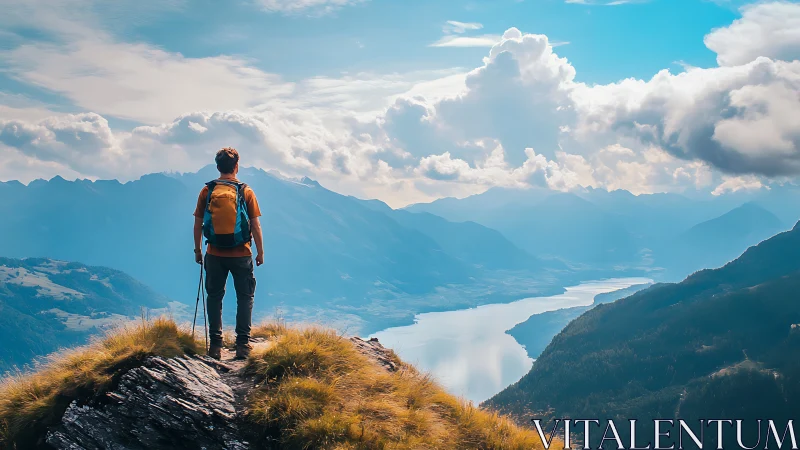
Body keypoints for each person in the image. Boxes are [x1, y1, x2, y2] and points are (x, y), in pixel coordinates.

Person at [193, 147, 264, 360]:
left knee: (214, 297)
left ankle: (215, 346)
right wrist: (260, 252)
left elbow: (198, 224)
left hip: (214, 253)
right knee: (245, 297)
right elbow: (255, 225)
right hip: (241, 253)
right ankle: (242, 345)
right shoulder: (245, 191)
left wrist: (198, 250)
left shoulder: (207, 191)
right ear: (236, 166)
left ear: (217, 166)